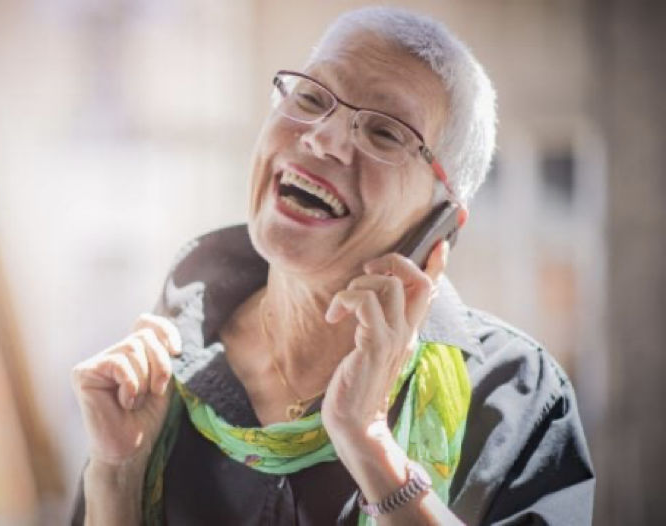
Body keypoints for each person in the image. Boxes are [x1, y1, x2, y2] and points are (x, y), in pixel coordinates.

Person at [70, 7, 594, 525]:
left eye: (385, 133)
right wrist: (116, 477)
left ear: (440, 224)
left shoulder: (517, 393)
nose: (323, 138)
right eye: (312, 98)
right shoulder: (160, 372)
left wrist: (369, 443)